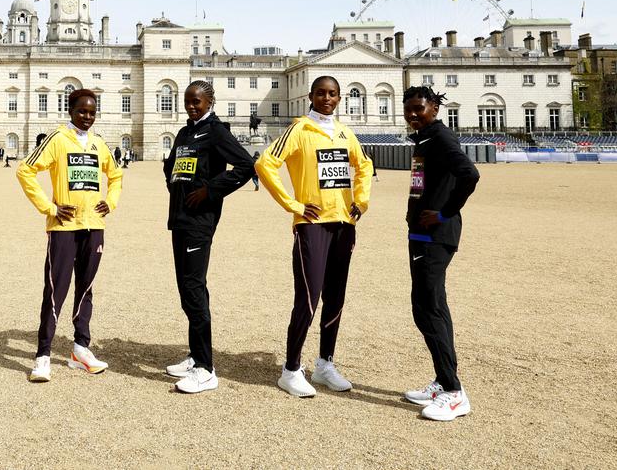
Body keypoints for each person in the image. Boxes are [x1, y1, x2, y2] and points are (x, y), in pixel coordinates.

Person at [255, 75, 373, 399]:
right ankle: (291, 369)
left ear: (339, 98)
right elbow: (265, 164)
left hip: (343, 224)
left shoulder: (345, 133)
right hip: (312, 224)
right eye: (321, 93)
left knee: (335, 297)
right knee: (309, 297)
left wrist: (360, 201)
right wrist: (292, 204)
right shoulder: (299, 129)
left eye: (332, 94)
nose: (327, 98)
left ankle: (324, 364)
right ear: (311, 96)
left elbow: (364, 165)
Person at [16, 90, 123, 383]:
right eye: (81, 111)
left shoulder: (100, 143)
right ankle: (43, 355)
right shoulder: (57, 139)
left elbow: (116, 175)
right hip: (63, 226)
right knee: (55, 290)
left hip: (94, 224)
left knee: (86, 288)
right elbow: (25, 170)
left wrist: (111, 201)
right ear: (70, 111)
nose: (87, 117)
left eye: (92, 112)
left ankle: (80, 349)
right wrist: (49, 207)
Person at [162, 80, 254, 394]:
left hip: (199, 222)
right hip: (180, 218)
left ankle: (205, 368)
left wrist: (209, 191)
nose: (191, 106)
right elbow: (171, 167)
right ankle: (194, 355)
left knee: (193, 288)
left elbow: (245, 165)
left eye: (197, 102)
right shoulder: (184, 133)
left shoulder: (216, 131)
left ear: (210, 101)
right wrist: (177, 188)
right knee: (187, 290)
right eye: (187, 101)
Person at [401, 86, 480, 422]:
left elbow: (470, 175)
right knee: (430, 307)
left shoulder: (441, 137)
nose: (413, 114)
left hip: (435, 236)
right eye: (409, 109)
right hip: (421, 234)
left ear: (434, 107)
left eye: (419, 108)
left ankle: (453, 392)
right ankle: (442, 380)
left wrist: (444, 213)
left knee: (428, 309)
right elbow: (421, 183)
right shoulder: (424, 139)